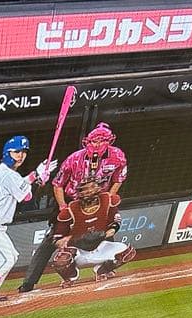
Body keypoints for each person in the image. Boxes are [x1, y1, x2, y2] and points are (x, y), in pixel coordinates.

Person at [18, 122, 128, 292]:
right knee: (51, 238)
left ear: (109, 141)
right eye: (93, 141)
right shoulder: (74, 159)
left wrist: (107, 199)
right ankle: (29, 282)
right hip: (72, 200)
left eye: (101, 141)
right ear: (88, 142)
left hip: (99, 199)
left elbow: (118, 179)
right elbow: (58, 184)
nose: (96, 145)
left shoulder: (117, 156)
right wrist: (63, 206)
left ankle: (105, 268)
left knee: (106, 229)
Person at [0, 135, 56, 306]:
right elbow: (27, 197)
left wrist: (36, 177)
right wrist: (38, 177)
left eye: (24, 152)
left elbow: (21, 184)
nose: (21, 156)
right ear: (7, 153)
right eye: (17, 152)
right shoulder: (7, 174)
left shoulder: (3, 171)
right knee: (6, 260)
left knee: (11, 257)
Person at [49, 181, 136, 286]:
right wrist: (71, 239)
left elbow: (115, 223)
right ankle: (71, 276)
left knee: (127, 252)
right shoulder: (70, 210)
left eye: (92, 187)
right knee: (61, 259)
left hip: (100, 247)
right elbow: (57, 239)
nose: (89, 191)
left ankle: (102, 270)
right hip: (79, 252)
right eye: (86, 189)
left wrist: (101, 235)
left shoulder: (107, 200)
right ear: (80, 193)